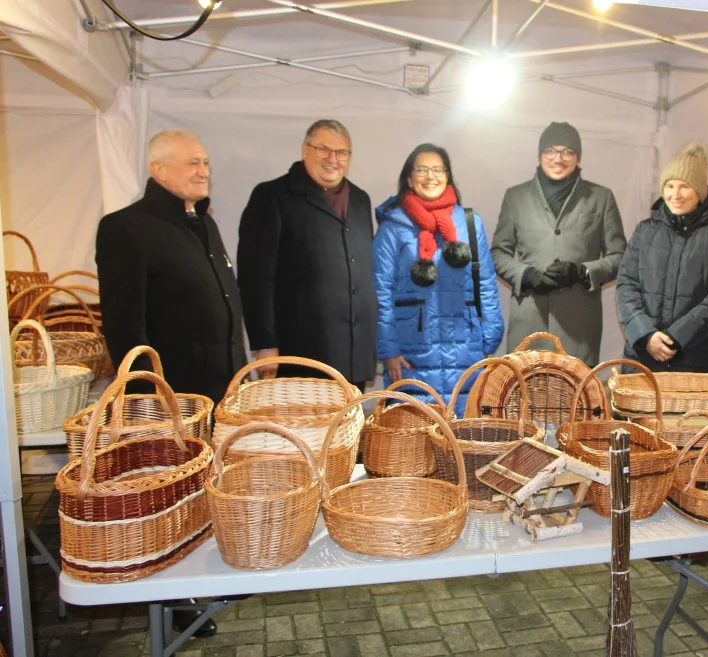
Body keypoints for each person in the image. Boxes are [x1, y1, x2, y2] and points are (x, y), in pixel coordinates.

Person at [96, 128, 246, 637]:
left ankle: (208, 569)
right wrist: (145, 403)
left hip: (218, 387)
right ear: (158, 170)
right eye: (191, 163)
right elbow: (123, 327)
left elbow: (227, 305)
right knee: (166, 498)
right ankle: (171, 596)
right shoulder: (125, 229)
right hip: (171, 394)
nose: (203, 170)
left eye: (205, 162)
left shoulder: (203, 224)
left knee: (207, 488)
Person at [237, 119, 376, 388]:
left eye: (341, 153)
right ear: (304, 149)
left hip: (354, 355)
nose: (332, 159)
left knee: (348, 430)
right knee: (302, 430)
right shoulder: (272, 196)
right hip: (301, 352)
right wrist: (264, 343)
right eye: (323, 149)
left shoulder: (360, 200)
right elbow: (255, 278)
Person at [373, 143, 504, 416]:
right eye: (422, 169)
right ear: (409, 178)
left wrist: (489, 334)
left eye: (437, 169)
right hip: (411, 353)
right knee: (414, 438)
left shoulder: (470, 222)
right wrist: (388, 348)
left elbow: (486, 283)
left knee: (464, 438)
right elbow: (380, 291)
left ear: (447, 175)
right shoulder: (392, 227)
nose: (430, 176)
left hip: (466, 348)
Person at [491, 121, 626, 366]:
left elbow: (619, 255)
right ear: (540, 154)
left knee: (577, 399)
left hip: (578, 325)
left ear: (578, 157)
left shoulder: (601, 197)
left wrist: (582, 272)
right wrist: (527, 275)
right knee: (524, 397)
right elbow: (498, 253)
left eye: (568, 151)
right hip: (529, 321)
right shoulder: (516, 197)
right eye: (551, 150)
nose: (558, 158)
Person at [616, 142, 708, 373]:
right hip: (644, 358)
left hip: (698, 362)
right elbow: (626, 285)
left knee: (693, 412)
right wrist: (645, 334)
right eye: (669, 185)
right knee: (641, 411)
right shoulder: (645, 231)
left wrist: (676, 337)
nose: (675, 195)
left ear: (700, 191)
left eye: (684, 186)